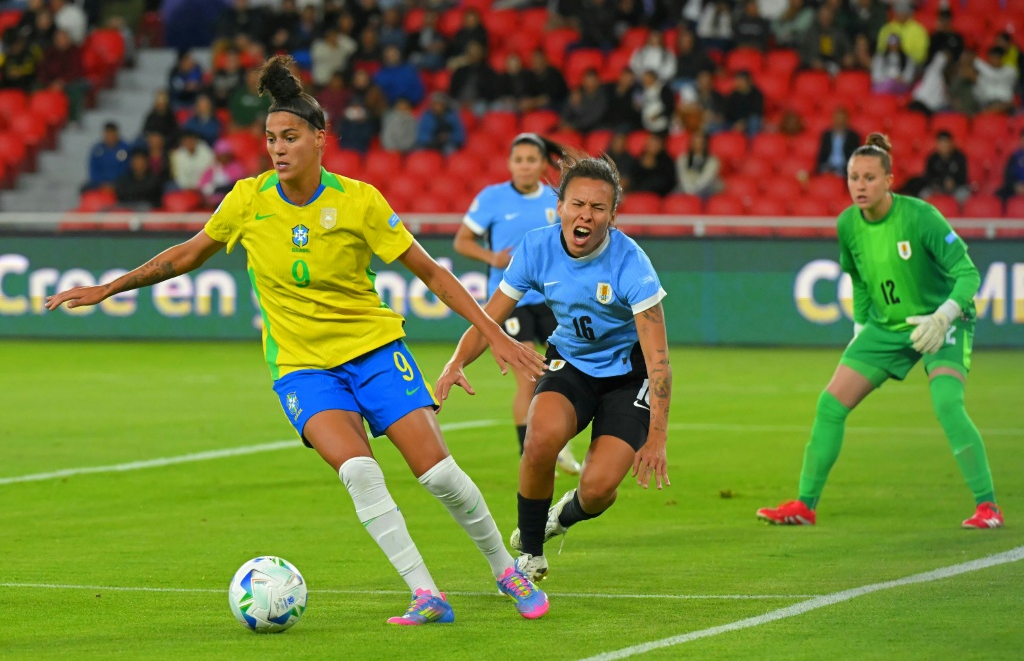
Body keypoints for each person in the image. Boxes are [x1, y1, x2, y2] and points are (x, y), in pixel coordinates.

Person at [45, 54, 549, 625]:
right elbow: (184, 256)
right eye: (269, 138)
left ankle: (505, 569)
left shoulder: (359, 201)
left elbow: (432, 273)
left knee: (437, 474)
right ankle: (426, 594)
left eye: (289, 137)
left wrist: (493, 336)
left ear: (319, 138)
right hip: (302, 368)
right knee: (359, 471)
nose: (277, 148)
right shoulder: (248, 200)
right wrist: (110, 287)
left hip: (376, 352)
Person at [436, 152, 672, 582]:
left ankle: (563, 516)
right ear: (559, 206)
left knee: (599, 491)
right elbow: (490, 319)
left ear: (612, 216)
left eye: (598, 208)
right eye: (578, 204)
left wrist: (657, 436)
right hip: (571, 364)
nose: (586, 215)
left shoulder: (632, 263)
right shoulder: (537, 247)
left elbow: (658, 360)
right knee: (540, 439)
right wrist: (455, 361)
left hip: (627, 376)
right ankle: (530, 553)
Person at [757, 133, 1003, 530]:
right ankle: (805, 505)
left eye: (870, 177)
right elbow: (857, 276)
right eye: (854, 177)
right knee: (830, 404)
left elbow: (969, 273)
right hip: (887, 327)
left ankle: (988, 506)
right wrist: (860, 325)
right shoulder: (848, 225)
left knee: (946, 403)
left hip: (943, 322)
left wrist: (943, 316)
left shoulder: (920, 216)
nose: (860, 185)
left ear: (889, 180)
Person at [452, 133, 583, 476]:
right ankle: (533, 455)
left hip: (551, 299)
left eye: (531, 160)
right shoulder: (492, 198)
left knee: (565, 371)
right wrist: (490, 256)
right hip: (511, 301)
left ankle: (560, 445)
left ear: (542, 166)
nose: (524, 166)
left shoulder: (556, 201)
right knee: (528, 377)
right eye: (518, 160)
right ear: (510, 164)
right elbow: (462, 241)